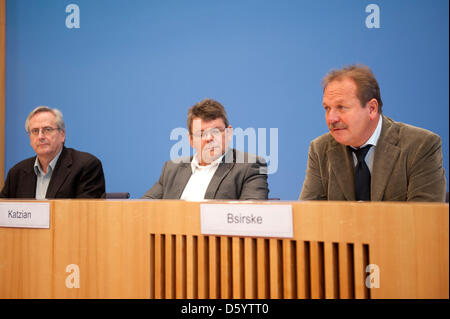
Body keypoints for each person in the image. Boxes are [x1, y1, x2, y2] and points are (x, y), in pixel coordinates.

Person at [300, 64, 446, 202]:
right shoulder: (320, 149)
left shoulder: (420, 146)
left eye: (341, 107)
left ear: (371, 109)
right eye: (327, 108)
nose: (331, 118)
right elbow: (308, 217)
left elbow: (424, 221)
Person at [142, 98, 269, 200]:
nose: (209, 138)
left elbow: (251, 217)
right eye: (201, 133)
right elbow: (142, 208)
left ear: (229, 133)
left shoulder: (250, 166)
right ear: (191, 140)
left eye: (216, 131)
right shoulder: (171, 169)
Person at [0, 106, 106, 199]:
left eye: (47, 129)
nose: (40, 136)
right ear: (30, 138)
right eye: (35, 131)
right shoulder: (17, 173)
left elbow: (86, 215)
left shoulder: (86, 166)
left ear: (62, 135)